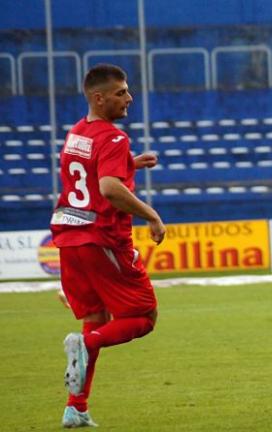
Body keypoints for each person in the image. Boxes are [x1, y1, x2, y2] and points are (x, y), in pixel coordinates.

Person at [50, 63, 166, 428]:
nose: (129, 98)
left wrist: (129, 164)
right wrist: (152, 215)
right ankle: (85, 348)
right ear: (98, 98)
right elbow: (109, 189)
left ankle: (76, 407)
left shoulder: (76, 134)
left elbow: (87, 174)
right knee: (143, 318)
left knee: (95, 320)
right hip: (102, 238)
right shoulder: (113, 137)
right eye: (121, 93)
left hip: (70, 237)